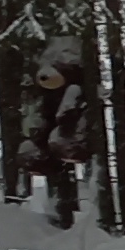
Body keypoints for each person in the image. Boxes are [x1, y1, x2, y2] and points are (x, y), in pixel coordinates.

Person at [30, 55, 98, 229]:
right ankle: (62, 211)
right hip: (60, 137)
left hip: (67, 138)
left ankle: (64, 211)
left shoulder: (74, 89)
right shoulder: (61, 92)